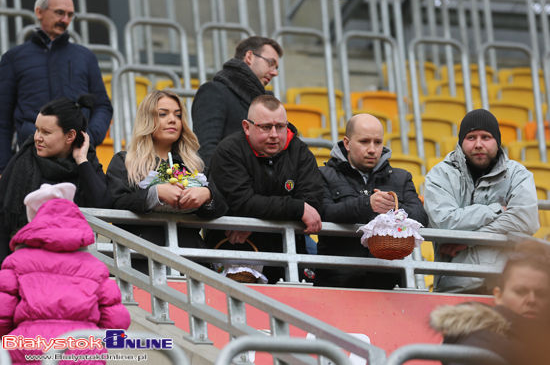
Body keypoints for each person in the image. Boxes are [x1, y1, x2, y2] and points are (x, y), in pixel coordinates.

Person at [0, 183, 131, 364]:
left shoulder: (15, 261)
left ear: (35, 223)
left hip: (28, 348)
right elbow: (117, 321)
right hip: (83, 350)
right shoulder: (96, 267)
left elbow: (2, 314)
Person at [207, 95, 323, 284]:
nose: (274, 135)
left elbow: (314, 203)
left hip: (290, 253)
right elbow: (244, 203)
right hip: (237, 251)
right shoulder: (228, 151)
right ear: (247, 127)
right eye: (266, 127)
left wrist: (252, 225)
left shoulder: (300, 151)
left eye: (280, 127)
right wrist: (297, 207)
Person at [106, 90, 227, 271]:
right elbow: (114, 205)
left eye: (178, 115)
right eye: (163, 114)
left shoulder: (195, 165)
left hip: (191, 262)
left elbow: (224, 205)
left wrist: (207, 196)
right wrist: (154, 194)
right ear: (147, 119)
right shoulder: (124, 161)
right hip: (140, 261)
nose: (173, 120)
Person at [424, 109, 539, 294]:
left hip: (507, 285)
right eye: (471, 137)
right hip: (456, 285)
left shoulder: (518, 174)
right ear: (461, 142)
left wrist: (469, 241)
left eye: (486, 137)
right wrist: (495, 210)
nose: (478, 144)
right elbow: (443, 223)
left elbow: (525, 220)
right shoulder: (440, 175)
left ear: (497, 141)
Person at [0, 0, 113, 175]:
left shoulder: (85, 56)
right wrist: (3, 169)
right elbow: (3, 120)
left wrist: (87, 137)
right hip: (31, 159)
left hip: (79, 159)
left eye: (70, 15)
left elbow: (103, 106)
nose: (65, 20)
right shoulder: (13, 58)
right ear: (39, 12)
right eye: (60, 12)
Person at [315, 113, 428, 289]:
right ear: (347, 143)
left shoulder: (402, 177)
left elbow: (421, 218)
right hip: (336, 281)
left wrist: (392, 208)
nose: (372, 149)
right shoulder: (322, 174)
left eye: (378, 142)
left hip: (389, 281)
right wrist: (367, 204)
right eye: (364, 141)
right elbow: (323, 213)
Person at [0, 95, 112, 265]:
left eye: (46, 132)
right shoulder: (22, 160)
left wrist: (81, 161)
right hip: (23, 262)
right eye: (37, 129)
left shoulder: (88, 165)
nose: (37, 137)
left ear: (70, 136)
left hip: (73, 265)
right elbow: (2, 216)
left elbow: (104, 208)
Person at [430, 241, 550, 365]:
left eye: (541, 293)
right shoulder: (480, 340)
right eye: (520, 291)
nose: (531, 300)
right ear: (498, 296)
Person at [192, 36, 283, 167]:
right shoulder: (214, 91)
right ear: (250, 57)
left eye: (276, 67)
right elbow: (206, 150)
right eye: (270, 63)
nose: (275, 72)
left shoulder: (267, 103)